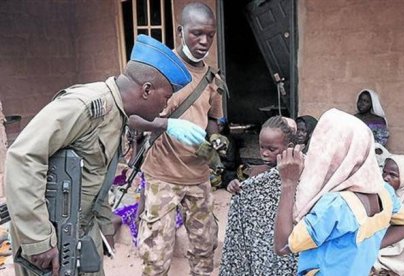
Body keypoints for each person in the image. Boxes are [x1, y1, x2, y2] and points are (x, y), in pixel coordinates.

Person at [5, 34, 207, 276]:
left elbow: (95, 175)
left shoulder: (117, 114)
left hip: (79, 231)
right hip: (49, 238)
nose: (164, 108)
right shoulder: (85, 106)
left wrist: (104, 226)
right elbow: (23, 157)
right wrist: (37, 239)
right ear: (146, 90)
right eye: (165, 98)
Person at [138, 2, 226, 275]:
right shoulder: (157, 72)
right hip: (162, 176)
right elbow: (131, 117)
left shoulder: (212, 80)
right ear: (180, 31)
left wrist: (215, 139)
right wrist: (167, 124)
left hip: (198, 176)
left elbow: (213, 119)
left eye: (210, 35)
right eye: (196, 33)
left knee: (204, 248)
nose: (203, 41)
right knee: (156, 255)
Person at [274, 108, 404, 276]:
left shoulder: (336, 206)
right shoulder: (384, 192)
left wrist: (288, 183)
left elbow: (283, 246)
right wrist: (367, 247)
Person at [219, 116, 298, 276]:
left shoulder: (299, 172)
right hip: (259, 249)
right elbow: (247, 203)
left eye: (271, 149)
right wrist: (235, 187)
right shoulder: (256, 172)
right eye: (261, 147)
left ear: (289, 147)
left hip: (286, 244)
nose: (264, 153)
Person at [373, 154, 404, 275]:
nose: (386, 178)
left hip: (400, 254)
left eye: (393, 175)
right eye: (384, 173)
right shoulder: (383, 194)